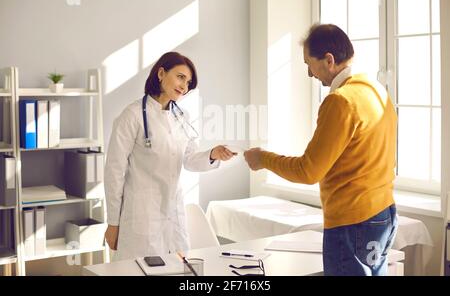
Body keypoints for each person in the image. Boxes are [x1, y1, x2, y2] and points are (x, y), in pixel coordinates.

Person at [244, 24, 398, 276]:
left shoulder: (341, 101)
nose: (308, 73)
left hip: (352, 220)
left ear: (329, 60)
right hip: (383, 214)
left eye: (309, 63)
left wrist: (263, 158)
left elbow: (308, 171)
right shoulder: (376, 91)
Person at [104, 51, 236, 261]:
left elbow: (190, 159)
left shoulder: (182, 117)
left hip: (173, 214)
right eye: (180, 77)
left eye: (189, 82)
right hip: (141, 216)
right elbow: (114, 172)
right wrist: (113, 223)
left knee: (177, 270)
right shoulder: (132, 116)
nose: (184, 86)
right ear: (161, 73)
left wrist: (212, 154)